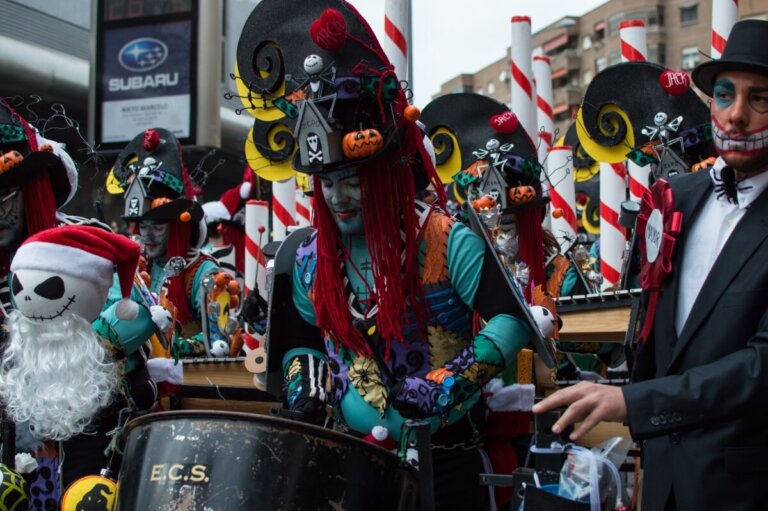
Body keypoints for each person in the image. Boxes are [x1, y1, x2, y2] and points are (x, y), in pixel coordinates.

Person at [236, 1, 539, 509]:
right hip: (352, 460)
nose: (338, 197)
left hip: (446, 463)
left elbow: (512, 320)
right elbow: (303, 344)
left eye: (352, 180)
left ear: (386, 172)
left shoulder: (446, 239)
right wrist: (305, 388)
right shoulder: (308, 260)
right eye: (326, 184)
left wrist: (448, 384)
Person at [533, 19, 768, 511]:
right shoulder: (676, 197)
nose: (737, 115)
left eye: (760, 99)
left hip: (744, 486)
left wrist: (635, 405)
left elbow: (757, 368)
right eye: (725, 95)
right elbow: (657, 332)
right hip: (661, 481)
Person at [0, 226, 148, 492]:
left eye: (49, 288)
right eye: (19, 287)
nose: (30, 297)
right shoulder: (25, 344)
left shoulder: (110, 339)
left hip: (100, 468)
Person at [106, 127, 222, 364]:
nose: (148, 236)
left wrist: (173, 345)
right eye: (143, 226)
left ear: (179, 227)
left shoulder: (202, 272)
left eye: (158, 227)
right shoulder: (135, 267)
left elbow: (220, 340)